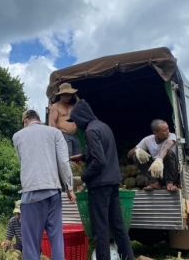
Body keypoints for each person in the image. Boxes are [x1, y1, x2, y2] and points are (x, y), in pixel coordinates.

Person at [68, 99, 134, 260]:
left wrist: (83, 178)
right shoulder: (103, 127)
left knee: (100, 228)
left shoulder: (90, 131)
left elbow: (99, 161)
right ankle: (128, 257)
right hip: (112, 182)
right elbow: (102, 153)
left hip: (99, 185)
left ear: (82, 117)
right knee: (118, 226)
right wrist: (83, 156)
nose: (76, 125)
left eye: (76, 121)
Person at [12, 109, 76, 260]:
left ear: (25, 121)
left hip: (31, 195)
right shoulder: (54, 133)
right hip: (54, 193)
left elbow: (23, 163)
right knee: (57, 240)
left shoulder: (17, 136)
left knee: (31, 245)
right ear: (39, 119)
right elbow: (63, 162)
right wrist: (70, 188)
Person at [126, 119, 178, 192]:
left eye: (168, 128)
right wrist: (137, 150)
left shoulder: (171, 136)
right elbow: (129, 154)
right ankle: (154, 183)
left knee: (168, 152)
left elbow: (166, 147)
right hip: (157, 174)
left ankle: (169, 183)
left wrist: (159, 159)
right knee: (136, 156)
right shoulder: (147, 140)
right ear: (155, 133)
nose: (167, 132)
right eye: (164, 131)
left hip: (171, 173)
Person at [49, 82, 82, 157]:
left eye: (69, 94)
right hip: (64, 135)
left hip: (74, 135)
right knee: (68, 158)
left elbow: (81, 105)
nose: (68, 97)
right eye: (66, 94)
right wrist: (58, 134)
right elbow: (53, 123)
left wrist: (74, 94)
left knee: (78, 157)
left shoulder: (72, 106)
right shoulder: (56, 106)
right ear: (61, 95)